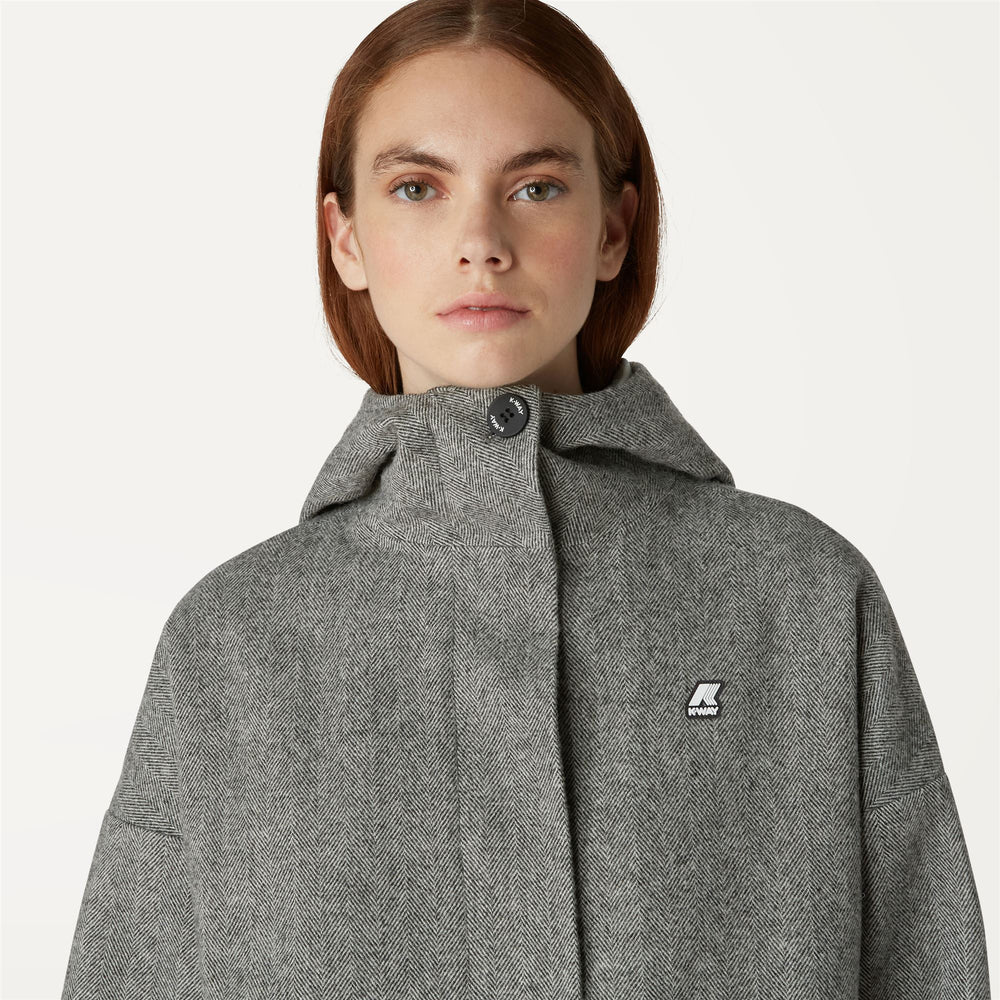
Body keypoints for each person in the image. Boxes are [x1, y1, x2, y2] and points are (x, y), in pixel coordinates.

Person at [61, 1, 990, 998]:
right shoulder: (233, 643)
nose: (480, 241)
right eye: (417, 187)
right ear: (345, 239)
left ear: (613, 229)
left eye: (536, 186)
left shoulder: (799, 597)